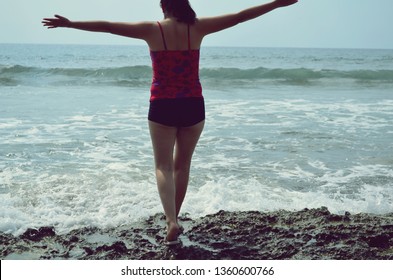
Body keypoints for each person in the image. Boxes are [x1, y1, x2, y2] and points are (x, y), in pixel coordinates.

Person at [42, 0, 298, 245]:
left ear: (164, 5)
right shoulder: (198, 26)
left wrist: (71, 23)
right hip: (193, 104)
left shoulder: (152, 30)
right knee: (182, 165)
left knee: (163, 166)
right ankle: (174, 218)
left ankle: (171, 221)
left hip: (163, 104)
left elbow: (108, 26)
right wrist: (275, 3)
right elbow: (241, 16)